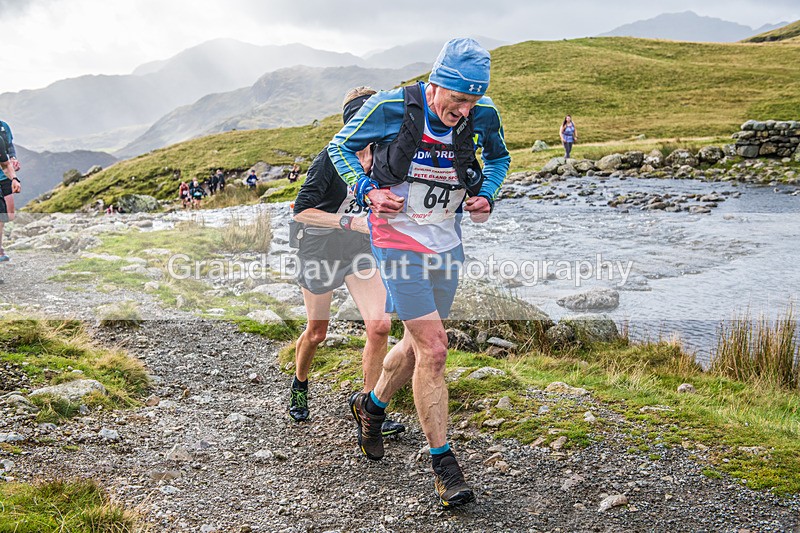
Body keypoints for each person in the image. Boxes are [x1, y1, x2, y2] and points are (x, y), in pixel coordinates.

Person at [327, 38, 510, 507]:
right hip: (395, 239)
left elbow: (500, 159)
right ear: (436, 86)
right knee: (434, 346)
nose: (464, 111)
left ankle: (371, 405)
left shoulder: (482, 114)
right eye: (458, 99)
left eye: (473, 101)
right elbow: (339, 148)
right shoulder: (393, 106)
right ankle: (444, 467)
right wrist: (368, 189)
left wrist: (486, 193)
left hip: (446, 240)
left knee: (415, 342)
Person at [288, 86, 404, 439]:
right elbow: (301, 212)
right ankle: (299, 383)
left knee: (380, 325)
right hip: (319, 249)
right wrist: (346, 220)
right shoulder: (330, 158)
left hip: (358, 249)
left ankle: (370, 410)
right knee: (317, 332)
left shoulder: (387, 156)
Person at [0, 121, 21, 262]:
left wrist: (14, 178)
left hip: (3, 177)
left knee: (8, 215)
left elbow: (9, 148)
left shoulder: (3, 127)